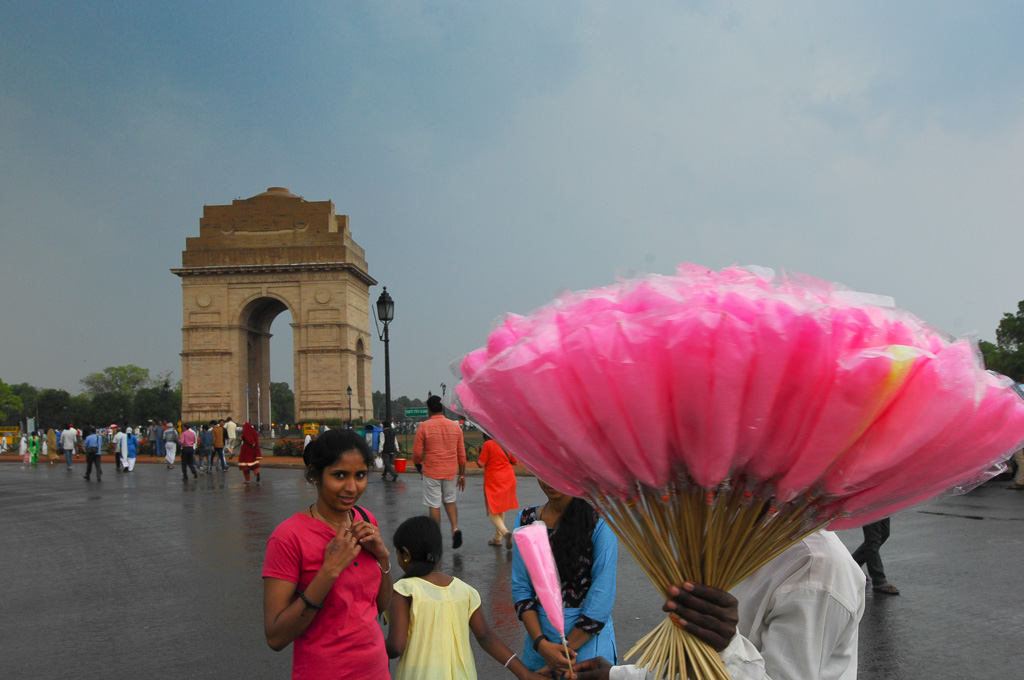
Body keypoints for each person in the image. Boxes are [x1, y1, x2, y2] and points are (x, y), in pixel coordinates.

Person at [568, 529, 866, 680]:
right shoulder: (731, 537)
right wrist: (616, 676)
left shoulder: (816, 571)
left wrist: (725, 645)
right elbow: (690, 666)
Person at [262, 429, 392, 679]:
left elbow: (378, 606)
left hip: (376, 670)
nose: (352, 488)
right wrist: (328, 572)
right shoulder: (288, 537)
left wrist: (383, 558)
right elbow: (275, 637)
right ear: (314, 475)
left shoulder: (365, 520)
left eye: (360, 475)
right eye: (339, 475)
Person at [385, 515, 546, 680]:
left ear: (406, 554)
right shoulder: (465, 591)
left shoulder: (404, 590)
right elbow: (486, 637)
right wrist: (525, 674)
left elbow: (396, 647)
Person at [512, 480, 617, 675]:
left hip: (586, 648)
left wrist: (561, 656)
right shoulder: (526, 519)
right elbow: (521, 588)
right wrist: (541, 645)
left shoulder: (599, 521)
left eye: (557, 471)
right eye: (542, 469)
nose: (549, 479)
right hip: (540, 644)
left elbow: (602, 596)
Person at [412, 395, 467, 548]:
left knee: (434, 504)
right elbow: (461, 455)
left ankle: (436, 536)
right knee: (450, 500)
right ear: (443, 408)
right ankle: (455, 528)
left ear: (429, 410)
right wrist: (462, 475)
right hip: (450, 471)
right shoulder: (455, 427)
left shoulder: (424, 426)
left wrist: (418, 464)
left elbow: (417, 454)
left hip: (431, 471)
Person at [475, 434, 518, 548]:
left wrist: (477, 453)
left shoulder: (488, 444)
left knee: (492, 510)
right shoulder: (505, 443)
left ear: (485, 436)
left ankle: (505, 533)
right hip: (508, 478)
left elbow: (481, 464)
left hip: (494, 479)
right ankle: (497, 539)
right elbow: (515, 462)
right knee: (500, 507)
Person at [852, 518, 899, 595]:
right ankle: (878, 579)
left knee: (883, 533)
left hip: (881, 505)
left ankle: (852, 566)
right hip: (867, 505)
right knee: (873, 538)